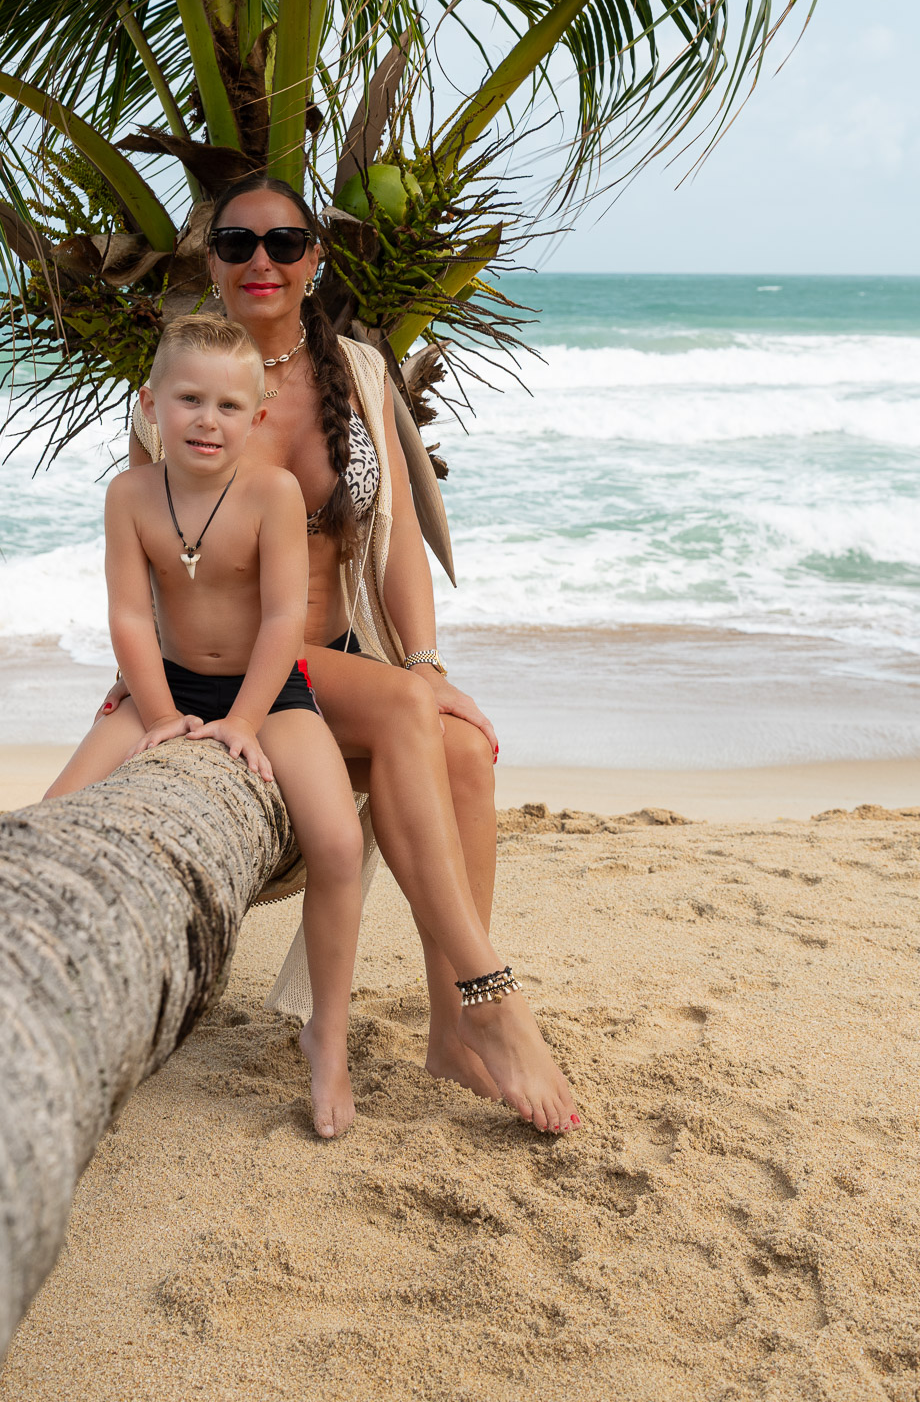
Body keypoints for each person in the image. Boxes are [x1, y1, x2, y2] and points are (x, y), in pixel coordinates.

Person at [112, 176, 580, 1135]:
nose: (261, 263)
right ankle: (489, 994)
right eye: (237, 244)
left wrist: (426, 660)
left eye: (285, 244)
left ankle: (453, 1030)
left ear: (316, 258)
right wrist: (141, 682)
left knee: (457, 740)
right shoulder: (185, 380)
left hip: (339, 653)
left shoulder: (358, 373)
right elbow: (152, 541)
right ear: (212, 260)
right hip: (247, 669)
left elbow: (398, 537)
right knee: (422, 724)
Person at [43, 314, 365, 1140]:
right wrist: (157, 716)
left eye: (227, 405)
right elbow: (126, 616)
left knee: (333, 844)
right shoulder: (129, 496)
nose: (206, 420)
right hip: (166, 684)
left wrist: (245, 723)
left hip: (272, 690)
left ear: (256, 418)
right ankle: (62, 1007)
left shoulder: (272, 494)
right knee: (49, 820)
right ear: (150, 405)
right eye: (188, 399)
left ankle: (325, 1029)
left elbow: (284, 619)